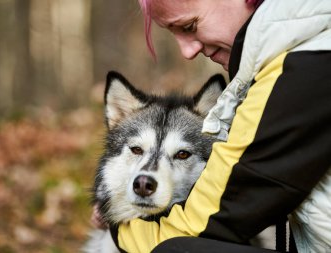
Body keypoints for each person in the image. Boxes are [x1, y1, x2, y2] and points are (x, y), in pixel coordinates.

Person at [93, 0, 331, 252]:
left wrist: (118, 229)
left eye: (190, 25)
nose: (186, 51)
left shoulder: (300, 70)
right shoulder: (301, 55)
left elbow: (218, 212)